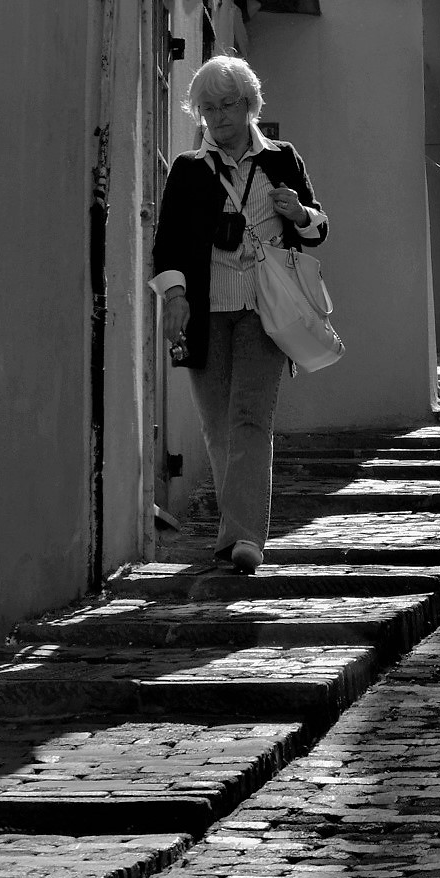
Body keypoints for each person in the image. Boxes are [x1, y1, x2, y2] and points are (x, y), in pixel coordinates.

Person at [150, 56, 328, 574]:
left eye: (227, 104)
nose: (219, 116)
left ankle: (244, 537)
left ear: (249, 104)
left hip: (265, 312)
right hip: (206, 315)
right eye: (208, 108)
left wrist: (299, 213)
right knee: (218, 426)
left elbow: (319, 227)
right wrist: (175, 297)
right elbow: (168, 244)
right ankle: (238, 529)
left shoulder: (282, 159)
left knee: (250, 418)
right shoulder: (188, 170)